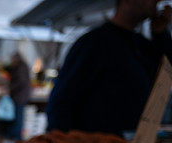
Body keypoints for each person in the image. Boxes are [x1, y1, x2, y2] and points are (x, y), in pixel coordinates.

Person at [47, 0, 172, 135]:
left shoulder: (142, 45)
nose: (155, 2)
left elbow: (165, 76)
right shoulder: (95, 42)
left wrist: (160, 33)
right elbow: (61, 101)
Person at [6, 53, 31, 139]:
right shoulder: (22, 66)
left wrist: (11, 88)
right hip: (20, 95)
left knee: (18, 116)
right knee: (18, 116)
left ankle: (16, 136)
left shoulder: (21, 67)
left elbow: (21, 81)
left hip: (19, 96)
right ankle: (15, 135)